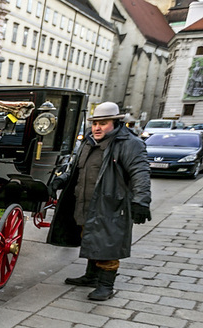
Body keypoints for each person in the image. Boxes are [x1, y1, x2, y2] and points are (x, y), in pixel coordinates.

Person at [47, 102, 152, 301]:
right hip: (86, 203)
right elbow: (76, 168)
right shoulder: (88, 142)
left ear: (115, 123)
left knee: (107, 243)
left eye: (103, 123)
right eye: (95, 123)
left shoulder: (129, 143)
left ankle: (106, 285)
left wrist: (142, 201)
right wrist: (61, 179)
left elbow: (141, 173)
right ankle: (91, 276)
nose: (97, 127)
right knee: (91, 237)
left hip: (111, 204)